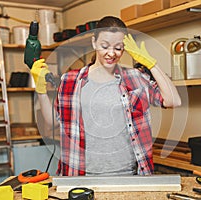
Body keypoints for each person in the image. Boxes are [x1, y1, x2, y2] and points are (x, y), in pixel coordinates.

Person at [30, 16, 181, 176]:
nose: (111, 53)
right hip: (81, 174)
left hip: (129, 174)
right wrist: (40, 90)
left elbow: (173, 100)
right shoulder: (71, 80)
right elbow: (53, 121)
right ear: (94, 42)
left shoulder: (135, 78)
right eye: (105, 46)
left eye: (118, 47)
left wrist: (152, 64)